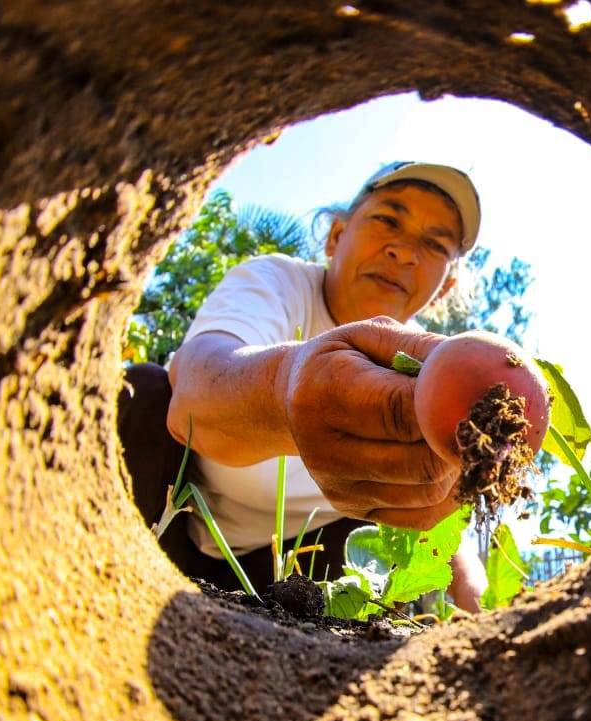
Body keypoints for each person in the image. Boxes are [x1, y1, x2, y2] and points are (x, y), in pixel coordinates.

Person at [118, 161, 488, 611]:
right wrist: (295, 391)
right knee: (140, 391)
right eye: (388, 220)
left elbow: (447, 529)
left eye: (433, 245)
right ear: (336, 236)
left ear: (444, 288)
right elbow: (193, 399)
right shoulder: (276, 284)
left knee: (375, 539)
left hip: (287, 575)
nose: (404, 252)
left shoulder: (429, 373)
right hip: (165, 521)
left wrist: (483, 608)